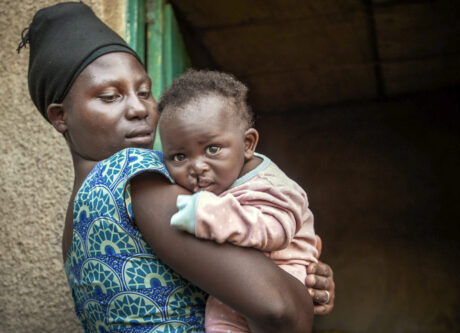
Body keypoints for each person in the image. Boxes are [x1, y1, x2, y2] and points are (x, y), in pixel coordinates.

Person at [18, 2, 334, 332]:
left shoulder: (78, 217)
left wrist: (297, 267)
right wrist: (296, 288)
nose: (139, 108)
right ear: (60, 116)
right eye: (110, 96)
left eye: (144, 91)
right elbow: (278, 307)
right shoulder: (132, 174)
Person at [157, 70, 319, 332]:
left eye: (212, 149)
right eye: (178, 157)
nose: (197, 166)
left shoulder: (271, 184)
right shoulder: (220, 183)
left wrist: (208, 214)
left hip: (283, 279)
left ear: (247, 144)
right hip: (234, 289)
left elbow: (275, 230)